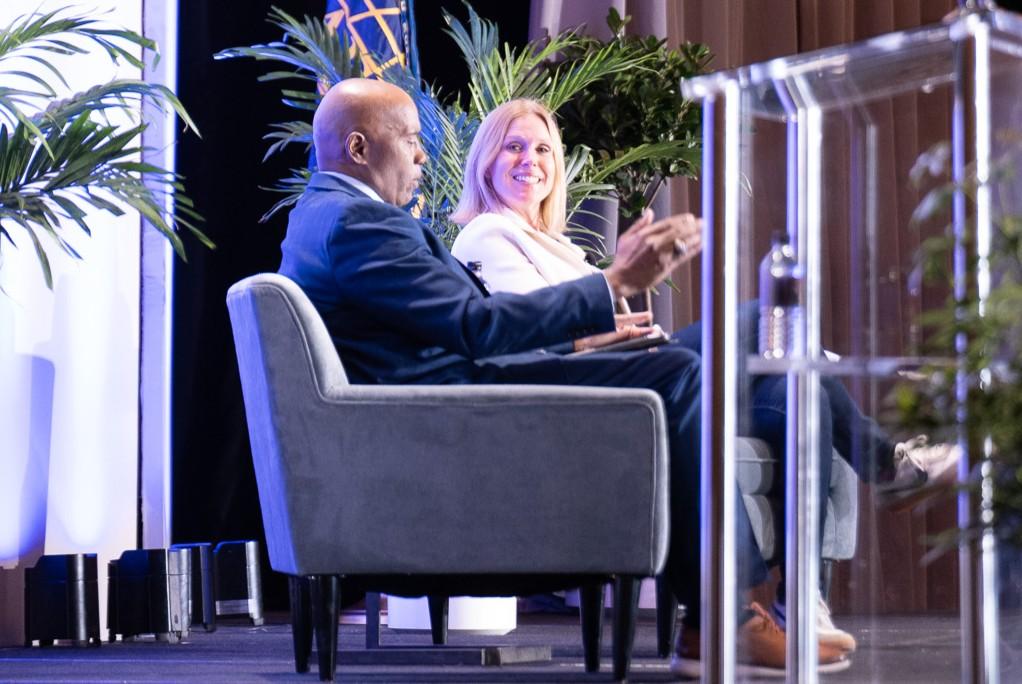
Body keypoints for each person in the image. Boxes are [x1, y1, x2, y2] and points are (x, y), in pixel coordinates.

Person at [277, 78, 855, 677]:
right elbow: (476, 326)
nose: (423, 155)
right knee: (682, 371)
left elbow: (461, 326)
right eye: (412, 140)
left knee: (709, 366)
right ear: (359, 147)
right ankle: (725, 621)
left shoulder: (326, 216)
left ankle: (724, 620)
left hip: (459, 394)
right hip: (460, 412)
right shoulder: (358, 225)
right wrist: (616, 283)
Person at [449, 98, 961, 671]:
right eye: (514, 146)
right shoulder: (486, 233)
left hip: (636, 371)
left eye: (543, 148)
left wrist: (618, 319)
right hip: (603, 394)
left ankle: (802, 600)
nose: (531, 160)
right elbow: (536, 334)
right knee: (751, 319)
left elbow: (588, 319)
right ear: (486, 162)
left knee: (801, 393)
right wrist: (615, 323)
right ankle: (886, 463)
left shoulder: (561, 248)